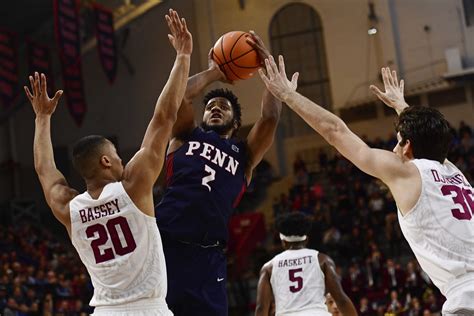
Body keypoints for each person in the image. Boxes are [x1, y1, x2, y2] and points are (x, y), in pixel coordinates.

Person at [258, 56, 474, 315]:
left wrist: (288, 96)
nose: (394, 149)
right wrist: (401, 106)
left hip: (466, 295)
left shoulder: (406, 171)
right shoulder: (455, 173)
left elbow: (335, 131)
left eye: (398, 142)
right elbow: (430, 136)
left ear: (407, 146)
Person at [25, 9, 191, 315]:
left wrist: (42, 118)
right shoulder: (133, 187)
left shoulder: (70, 208)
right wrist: (182, 57)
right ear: (105, 161)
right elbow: (165, 117)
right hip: (148, 308)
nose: (121, 159)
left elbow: (44, 169)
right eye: (116, 154)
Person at [155, 31, 282, 315]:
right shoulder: (185, 136)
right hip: (166, 245)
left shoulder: (244, 157)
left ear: (236, 123)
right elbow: (180, 96)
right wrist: (215, 72)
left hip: (208, 256)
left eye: (223, 108)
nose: (215, 109)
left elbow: (270, 118)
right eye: (210, 107)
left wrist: (265, 68)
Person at [254, 213, 356, 316]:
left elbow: (261, 307)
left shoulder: (269, 267)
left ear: (283, 242)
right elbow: (341, 299)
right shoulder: (322, 260)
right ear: (306, 239)